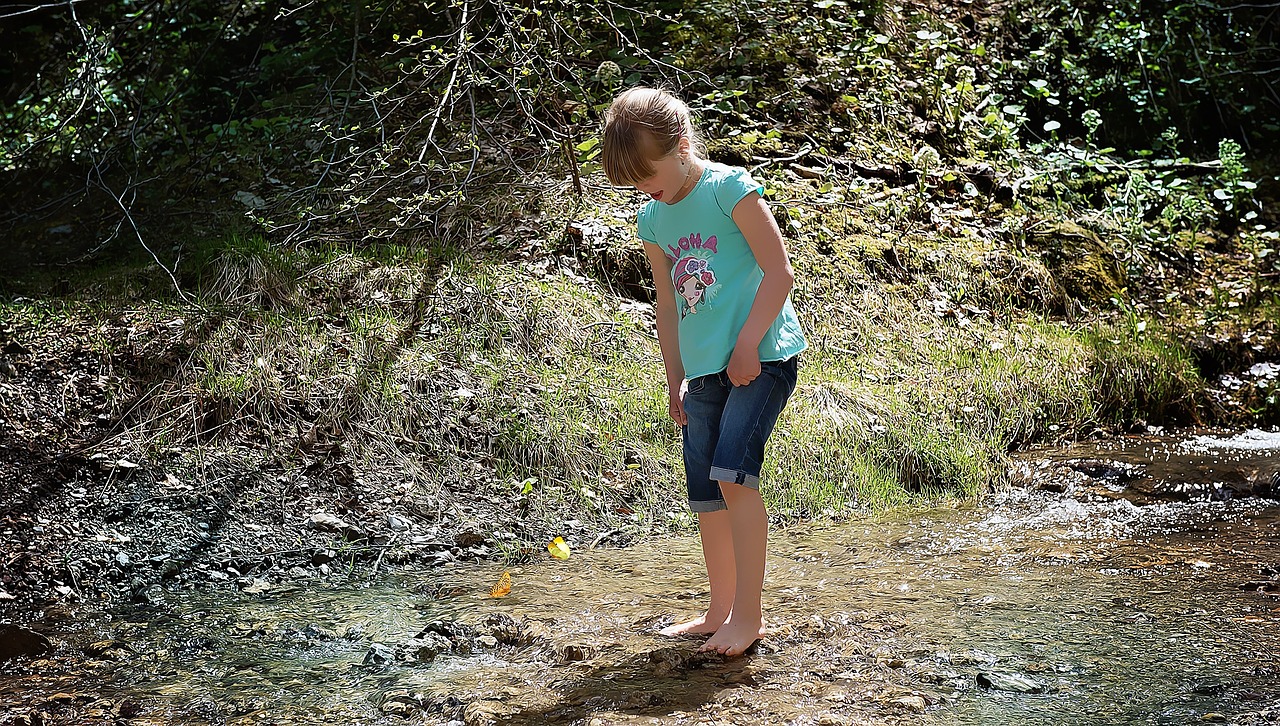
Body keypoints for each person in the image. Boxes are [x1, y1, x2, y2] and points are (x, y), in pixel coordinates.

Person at [601, 87, 807, 657]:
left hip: (761, 357)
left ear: (683, 145)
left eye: (649, 173)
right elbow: (667, 305)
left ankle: (749, 616)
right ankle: (719, 610)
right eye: (633, 182)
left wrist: (746, 345)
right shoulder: (653, 218)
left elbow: (779, 272)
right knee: (705, 494)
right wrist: (676, 378)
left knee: (733, 478)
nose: (645, 189)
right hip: (703, 371)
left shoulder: (730, 191)